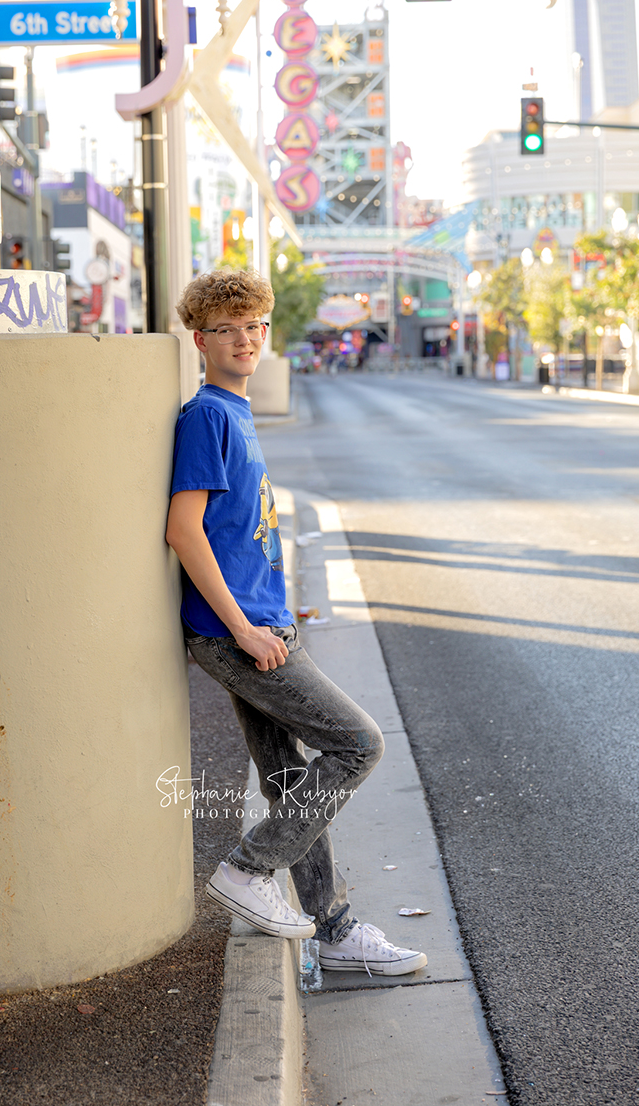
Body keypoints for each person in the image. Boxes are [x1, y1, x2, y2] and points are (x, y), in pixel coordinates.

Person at [165, 268, 427, 978]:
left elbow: (237, 529)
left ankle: (333, 930)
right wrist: (246, 630)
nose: (245, 338)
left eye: (254, 325)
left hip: (263, 623)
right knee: (357, 745)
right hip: (239, 636)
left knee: (289, 782)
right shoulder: (208, 416)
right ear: (201, 339)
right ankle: (249, 869)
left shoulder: (236, 410)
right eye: (227, 328)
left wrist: (276, 608)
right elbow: (184, 531)